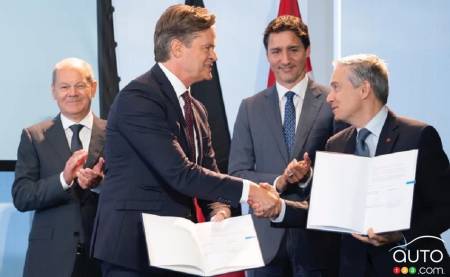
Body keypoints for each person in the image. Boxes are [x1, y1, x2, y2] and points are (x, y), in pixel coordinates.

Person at [90, 4, 280, 276]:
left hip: (175, 251)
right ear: (178, 48)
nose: (214, 55)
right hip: (133, 252)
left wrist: (220, 211)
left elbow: (210, 173)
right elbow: (179, 173)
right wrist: (251, 191)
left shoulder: (197, 109)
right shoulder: (139, 98)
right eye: (207, 47)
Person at [277, 54, 450, 276]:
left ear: (364, 90)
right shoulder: (336, 144)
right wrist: (278, 208)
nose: (330, 98)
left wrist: (400, 235)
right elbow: (321, 209)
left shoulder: (418, 137)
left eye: (337, 87)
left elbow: (445, 207)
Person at [228, 15, 340, 277]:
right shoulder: (249, 107)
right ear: (267, 55)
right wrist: (279, 181)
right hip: (265, 245)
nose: (285, 60)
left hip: (317, 242)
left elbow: (342, 173)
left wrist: (307, 177)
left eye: (293, 49)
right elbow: (237, 173)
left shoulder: (332, 101)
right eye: (276, 51)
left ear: (307, 51)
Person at [12, 57, 105, 277]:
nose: (72, 93)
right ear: (54, 91)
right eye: (64, 86)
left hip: (104, 256)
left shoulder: (117, 133)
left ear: (93, 88)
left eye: (80, 85)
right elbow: (22, 196)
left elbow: (131, 189)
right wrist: (63, 179)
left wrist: (101, 185)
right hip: (49, 259)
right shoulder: (34, 137)